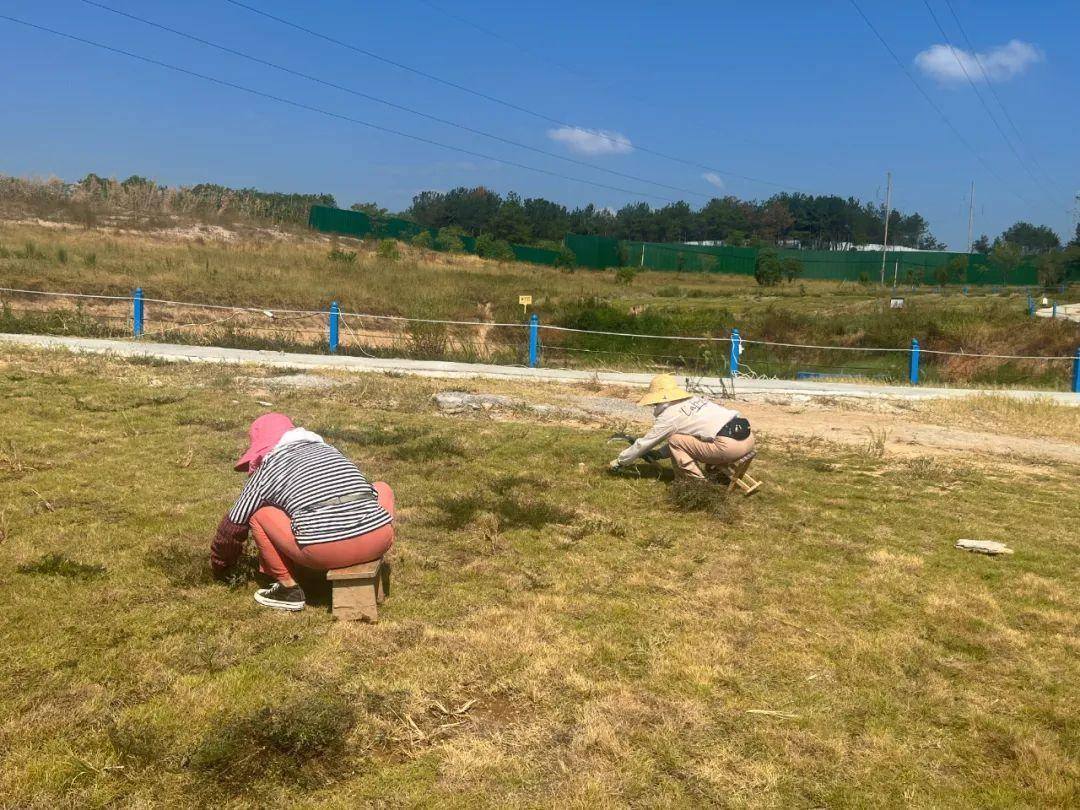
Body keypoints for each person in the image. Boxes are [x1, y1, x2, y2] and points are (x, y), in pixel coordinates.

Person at [210, 413, 395, 611]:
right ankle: (366, 542)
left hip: (324, 552)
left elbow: (235, 523)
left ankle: (287, 589)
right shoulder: (329, 450)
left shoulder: (268, 468)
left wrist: (220, 564)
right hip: (379, 540)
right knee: (381, 487)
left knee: (258, 514)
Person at [608, 374, 755, 480]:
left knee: (674, 440)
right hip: (747, 438)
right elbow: (690, 440)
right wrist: (659, 454)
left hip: (728, 448)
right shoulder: (694, 399)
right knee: (683, 438)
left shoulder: (670, 415)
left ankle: (696, 483)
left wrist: (620, 461)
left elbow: (644, 444)